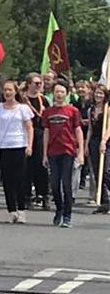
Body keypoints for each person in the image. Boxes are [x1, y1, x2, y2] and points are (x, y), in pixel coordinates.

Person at [0, 80, 35, 223]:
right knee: (7, 180)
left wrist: (29, 145)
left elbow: (29, 128)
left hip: (19, 145)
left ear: (15, 92)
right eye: (5, 90)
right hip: (4, 147)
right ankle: (12, 210)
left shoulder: (23, 108)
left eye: (10, 90)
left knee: (20, 179)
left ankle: (21, 209)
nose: (7, 92)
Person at [42, 80, 83, 228]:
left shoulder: (73, 111)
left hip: (68, 151)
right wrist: (44, 154)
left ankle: (67, 215)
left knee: (66, 183)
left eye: (62, 92)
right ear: (53, 93)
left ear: (66, 93)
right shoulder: (48, 112)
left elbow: (78, 130)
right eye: (57, 91)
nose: (59, 94)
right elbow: (46, 132)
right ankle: (59, 209)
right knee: (54, 184)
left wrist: (81, 152)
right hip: (53, 151)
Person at [22, 73, 48, 210]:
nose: (39, 86)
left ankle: (43, 194)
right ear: (28, 84)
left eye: (40, 83)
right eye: (36, 83)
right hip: (24, 133)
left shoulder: (43, 100)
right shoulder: (22, 100)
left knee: (41, 166)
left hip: (40, 134)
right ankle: (26, 195)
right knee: (26, 167)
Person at [88, 84, 110, 214]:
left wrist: (104, 141)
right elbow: (90, 128)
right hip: (94, 141)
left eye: (101, 93)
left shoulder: (108, 109)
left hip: (106, 141)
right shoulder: (91, 109)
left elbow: (109, 127)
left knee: (106, 171)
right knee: (97, 173)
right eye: (97, 93)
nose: (98, 95)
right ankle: (104, 201)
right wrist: (87, 145)